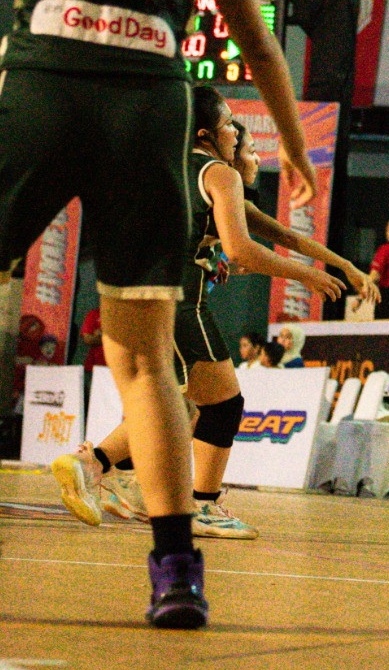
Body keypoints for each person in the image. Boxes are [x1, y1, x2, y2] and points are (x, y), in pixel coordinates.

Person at [0, 0, 325, 623]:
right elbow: (259, 44)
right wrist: (294, 150)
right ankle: (176, 572)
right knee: (142, 364)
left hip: (43, 91)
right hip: (147, 111)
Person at [54, 89, 364, 540]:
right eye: (228, 125)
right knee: (221, 404)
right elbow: (242, 250)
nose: (235, 133)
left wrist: (344, 265)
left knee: (178, 407)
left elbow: (283, 235)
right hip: (179, 304)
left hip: (133, 296)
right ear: (205, 134)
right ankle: (192, 502)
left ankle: (109, 470)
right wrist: (308, 275)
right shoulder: (219, 173)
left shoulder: (170, 166)